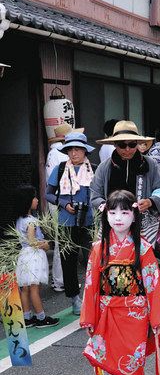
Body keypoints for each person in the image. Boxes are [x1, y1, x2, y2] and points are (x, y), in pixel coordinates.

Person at [80, 190, 160, 375]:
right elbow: (91, 284)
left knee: (127, 364)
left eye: (125, 212)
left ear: (134, 216)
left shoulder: (143, 248)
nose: (118, 217)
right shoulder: (99, 248)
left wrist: (157, 318)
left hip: (135, 314)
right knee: (115, 362)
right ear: (105, 215)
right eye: (113, 212)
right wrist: (89, 316)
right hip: (107, 311)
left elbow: (153, 285)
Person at [91, 121, 160, 246]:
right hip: (112, 222)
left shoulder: (150, 164)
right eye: (122, 145)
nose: (127, 149)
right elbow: (95, 195)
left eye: (132, 145)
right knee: (113, 258)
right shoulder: (104, 167)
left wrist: (150, 201)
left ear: (137, 144)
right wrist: (107, 207)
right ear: (115, 145)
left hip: (143, 223)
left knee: (140, 258)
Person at [46, 132, 95, 315]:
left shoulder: (94, 169)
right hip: (65, 222)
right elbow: (48, 194)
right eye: (70, 150)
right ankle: (75, 299)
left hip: (90, 221)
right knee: (69, 262)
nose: (74, 153)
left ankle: (93, 296)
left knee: (93, 260)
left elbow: (100, 194)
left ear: (85, 151)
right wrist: (64, 203)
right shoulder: (59, 169)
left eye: (77, 149)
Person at [14, 185, 58, 328]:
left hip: (23, 256)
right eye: (34, 197)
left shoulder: (19, 219)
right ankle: (41, 317)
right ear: (28, 201)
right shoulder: (31, 221)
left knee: (25, 289)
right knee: (34, 288)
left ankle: (27, 318)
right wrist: (46, 245)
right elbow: (32, 241)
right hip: (33, 256)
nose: (37, 200)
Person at [45, 123, 79, 293]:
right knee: (64, 243)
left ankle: (61, 280)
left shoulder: (52, 152)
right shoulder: (60, 154)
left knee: (63, 242)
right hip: (63, 202)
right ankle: (61, 281)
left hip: (58, 201)